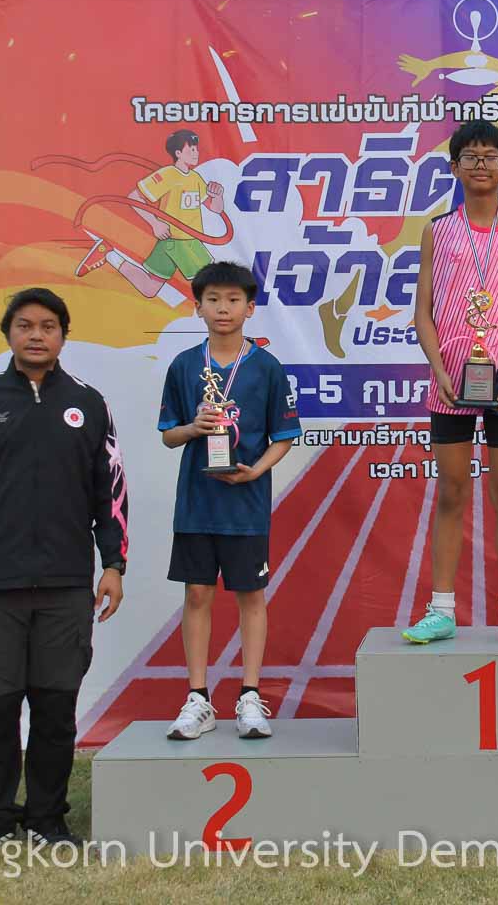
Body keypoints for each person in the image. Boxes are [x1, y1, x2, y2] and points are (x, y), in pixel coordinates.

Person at [0, 287, 128, 849]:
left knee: (56, 705)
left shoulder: (89, 402)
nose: (36, 335)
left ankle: (47, 820)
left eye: (48, 326)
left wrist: (114, 564)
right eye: (25, 326)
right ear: (8, 333)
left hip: (66, 584)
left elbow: (110, 491)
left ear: (63, 335)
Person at [405, 119, 498, 645]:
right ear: (454, 168)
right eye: (470, 156)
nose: (480, 164)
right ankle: (441, 608)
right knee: (451, 491)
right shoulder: (438, 230)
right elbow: (422, 312)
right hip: (449, 384)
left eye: (490, 156)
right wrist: (439, 370)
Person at [159, 261, 301, 740]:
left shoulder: (266, 367)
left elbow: (285, 435)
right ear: (197, 307)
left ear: (250, 307)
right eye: (214, 300)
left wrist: (256, 471)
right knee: (197, 594)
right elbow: (168, 435)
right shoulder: (184, 366)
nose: (224, 308)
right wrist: (193, 427)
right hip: (196, 505)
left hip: (247, 505)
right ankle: (198, 699)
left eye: (233, 300)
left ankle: (249, 696)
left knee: (251, 596)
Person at [75, 129, 234, 305]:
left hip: (179, 241)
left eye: (196, 149)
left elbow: (216, 208)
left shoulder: (195, 178)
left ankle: (109, 255)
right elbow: (135, 197)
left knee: (149, 288)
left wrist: (217, 195)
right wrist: (155, 223)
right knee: (211, 283)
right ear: (178, 153)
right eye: (191, 149)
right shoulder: (168, 175)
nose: (196, 153)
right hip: (181, 242)